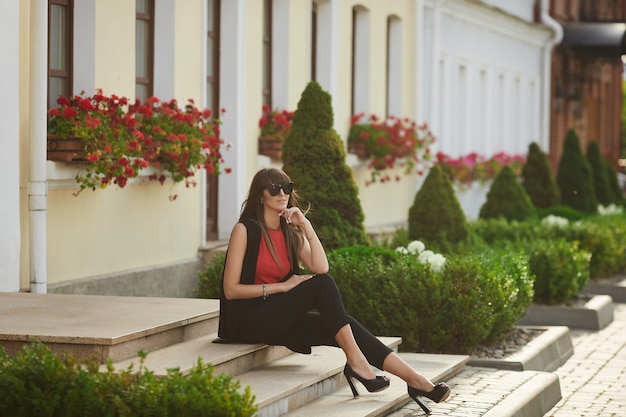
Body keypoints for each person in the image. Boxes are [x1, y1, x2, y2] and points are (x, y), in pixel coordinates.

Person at [218, 167, 450, 413]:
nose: (282, 194)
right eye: (274, 188)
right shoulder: (244, 230)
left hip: (278, 319)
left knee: (342, 323)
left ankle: (415, 381)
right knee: (324, 285)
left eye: (286, 188)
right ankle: (357, 362)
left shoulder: (289, 234)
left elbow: (320, 266)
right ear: (260, 195)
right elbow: (231, 290)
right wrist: (282, 286)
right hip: (248, 320)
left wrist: (305, 225)